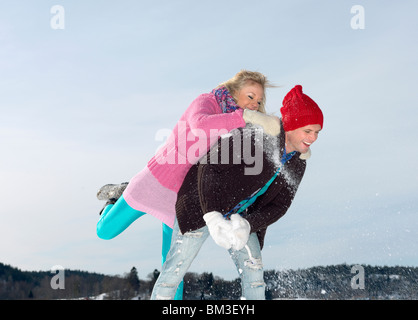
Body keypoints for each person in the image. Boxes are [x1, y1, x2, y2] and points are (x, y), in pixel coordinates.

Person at [95, 70, 278, 299]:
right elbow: (200, 125)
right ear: (235, 90)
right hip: (153, 180)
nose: (254, 103)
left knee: (173, 268)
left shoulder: (240, 128)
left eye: (259, 101)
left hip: (179, 199)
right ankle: (117, 198)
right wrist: (244, 117)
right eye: (250, 96)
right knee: (104, 232)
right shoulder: (207, 101)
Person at [150, 85, 324, 300]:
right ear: (290, 126)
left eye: (317, 132)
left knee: (254, 273)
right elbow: (210, 165)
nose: (313, 138)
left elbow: (280, 205)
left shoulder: (297, 164)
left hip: (240, 217)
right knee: (175, 269)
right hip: (200, 204)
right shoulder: (255, 135)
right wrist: (212, 215)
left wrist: (248, 224)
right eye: (308, 131)